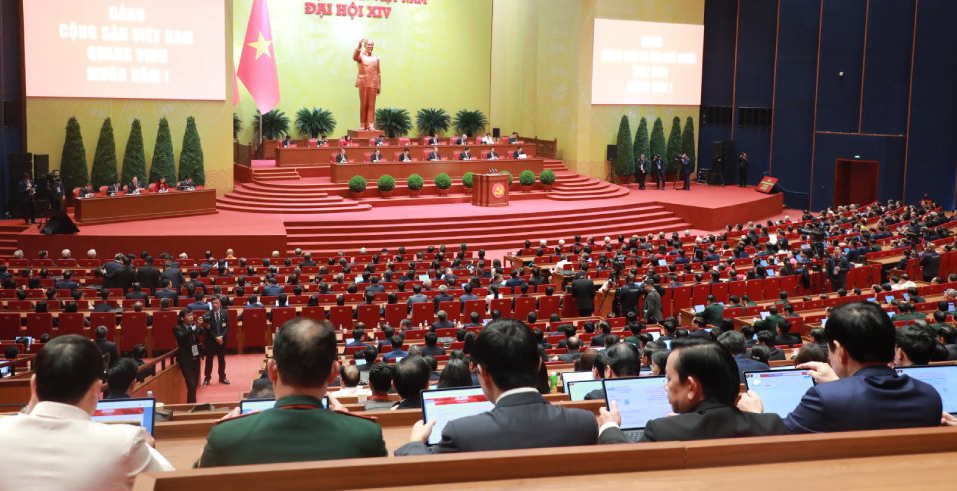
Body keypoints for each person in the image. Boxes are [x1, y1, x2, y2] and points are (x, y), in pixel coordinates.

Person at [0, 335, 173, 489]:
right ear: (97, 389)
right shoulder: (126, 442)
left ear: (34, 385)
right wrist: (150, 448)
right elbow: (170, 483)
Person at [196, 319, 387, 466]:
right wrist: (348, 424)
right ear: (334, 373)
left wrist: (217, 441)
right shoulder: (366, 435)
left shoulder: (225, 438)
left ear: (271, 370)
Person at [396, 319, 597, 454]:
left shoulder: (460, 434)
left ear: (482, 373)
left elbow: (417, 473)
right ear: (538, 366)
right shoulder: (585, 423)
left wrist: (414, 443)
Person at [738, 301, 943, 433]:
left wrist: (756, 415)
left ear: (840, 350)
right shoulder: (929, 395)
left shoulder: (826, 398)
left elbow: (780, 440)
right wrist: (840, 383)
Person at [598, 340, 786, 443]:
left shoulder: (662, 431)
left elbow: (623, 459)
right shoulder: (771, 424)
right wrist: (757, 419)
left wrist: (609, 426)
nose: (665, 386)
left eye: (669, 379)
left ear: (691, 387)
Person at [174, 307, 207, 403]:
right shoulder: (177, 328)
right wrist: (193, 328)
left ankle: (192, 403)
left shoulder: (194, 326)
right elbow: (182, 338)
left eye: (192, 315)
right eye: (188, 316)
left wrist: (203, 325)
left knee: (194, 385)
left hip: (196, 357)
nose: (191, 317)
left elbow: (202, 333)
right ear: (182, 318)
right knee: (191, 384)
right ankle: (190, 405)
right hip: (185, 360)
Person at [353, 38, 381, 130]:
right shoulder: (361, 56)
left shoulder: (376, 58)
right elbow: (355, 57)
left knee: (371, 105)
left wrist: (379, 86)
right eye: (369, 45)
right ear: (365, 45)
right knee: (364, 104)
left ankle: (371, 124)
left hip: (373, 84)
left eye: (372, 45)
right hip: (363, 83)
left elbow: (378, 73)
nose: (370, 46)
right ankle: (363, 124)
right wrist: (358, 48)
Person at [203, 296, 230, 386]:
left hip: (222, 341)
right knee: (209, 360)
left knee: (222, 360)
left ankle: (222, 377)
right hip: (211, 341)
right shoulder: (207, 314)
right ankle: (207, 378)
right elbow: (208, 330)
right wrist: (216, 337)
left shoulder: (224, 313)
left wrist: (221, 337)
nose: (215, 305)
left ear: (220, 304)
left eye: (217, 303)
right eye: (213, 303)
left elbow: (227, 327)